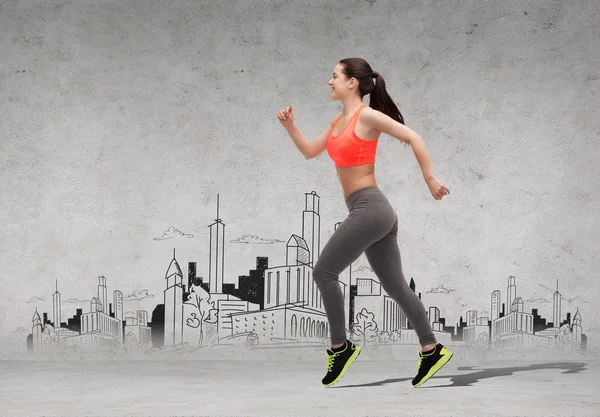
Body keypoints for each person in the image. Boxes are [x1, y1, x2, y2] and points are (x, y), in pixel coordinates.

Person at [276, 57, 453, 388]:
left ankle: (340, 347)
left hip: (371, 210)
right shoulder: (337, 121)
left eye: (334, 76)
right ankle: (432, 349)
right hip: (372, 212)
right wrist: (290, 127)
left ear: (352, 83)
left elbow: (413, 137)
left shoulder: (366, 116)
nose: (329, 82)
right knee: (396, 286)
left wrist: (429, 179)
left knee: (323, 273)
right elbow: (310, 151)